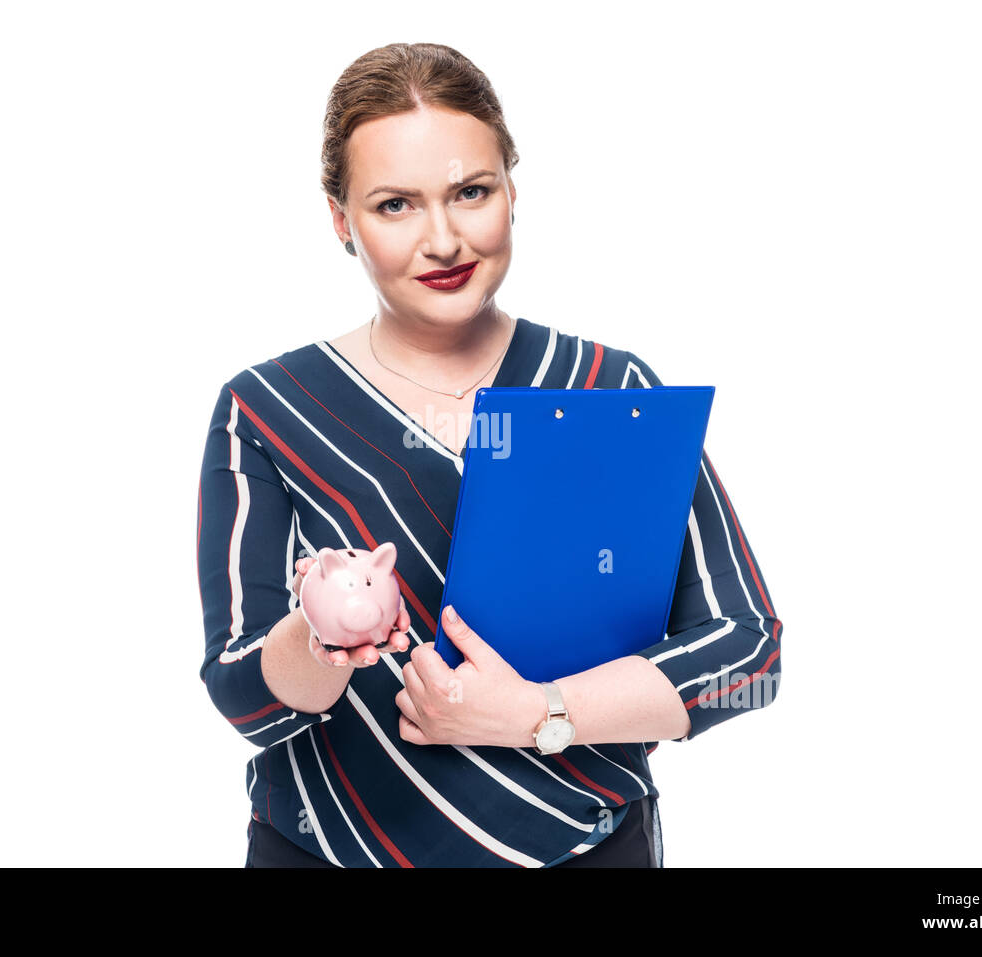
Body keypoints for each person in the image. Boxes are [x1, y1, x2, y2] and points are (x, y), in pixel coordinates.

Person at [196, 42, 782, 868]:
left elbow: (746, 648)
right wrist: (322, 641)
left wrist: (539, 713)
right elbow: (241, 695)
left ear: (511, 188)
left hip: (586, 850)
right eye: (395, 205)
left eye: (471, 192)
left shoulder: (611, 391)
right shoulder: (269, 409)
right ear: (340, 221)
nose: (443, 239)